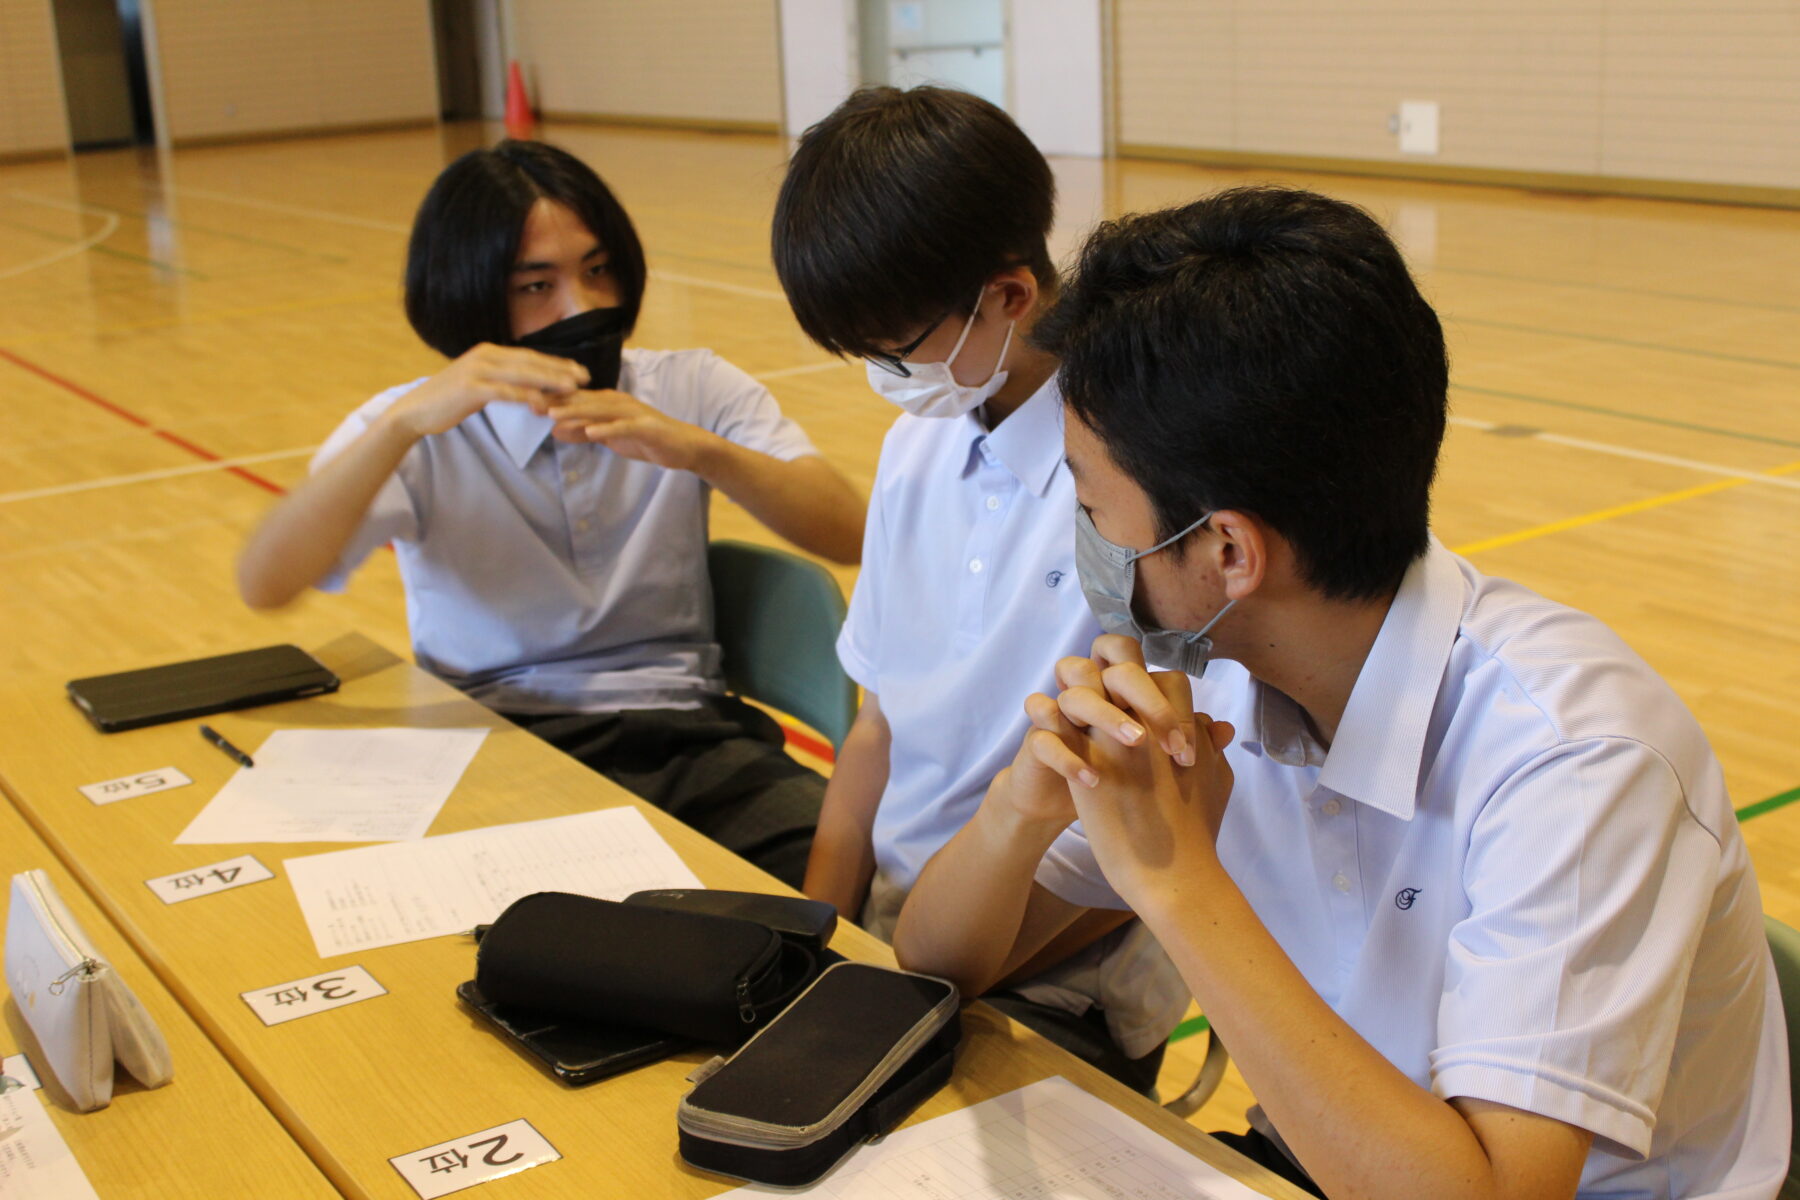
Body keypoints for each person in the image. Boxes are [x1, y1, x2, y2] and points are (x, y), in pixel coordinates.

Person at [894, 186, 1789, 1198]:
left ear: (1229, 549)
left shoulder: (1578, 758)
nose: (1086, 543)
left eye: (1093, 504)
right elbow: (935, 961)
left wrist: (1179, 883)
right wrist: (1024, 804)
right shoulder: (1221, 668)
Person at [237, 139, 864, 890]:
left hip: (689, 735)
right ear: (470, 296)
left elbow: (847, 531)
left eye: (599, 271)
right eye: (537, 285)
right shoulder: (415, 423)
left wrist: (700, 452)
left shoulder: (691, 387)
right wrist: (401, 427)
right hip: (495, 740)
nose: (584, 308)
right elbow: (264, 582)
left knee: (846, 900)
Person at [771, 86, 1187, 1093]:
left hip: (1045, 974)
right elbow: (877, 730)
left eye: (894, 344)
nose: (881, 374)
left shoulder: (1137, 487)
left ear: (1010, 295)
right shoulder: (918, 447)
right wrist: (816, 944)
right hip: (897, 939)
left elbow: (1158, 820)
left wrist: (933, 969)